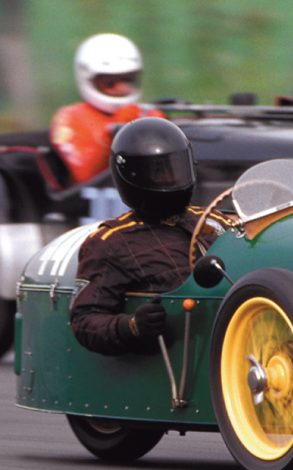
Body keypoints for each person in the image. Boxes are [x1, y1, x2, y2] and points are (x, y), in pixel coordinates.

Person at [70, 117, 230, 355]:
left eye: (176, 168)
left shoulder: (214, 218)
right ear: (133, 176)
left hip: (244, 331)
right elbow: (84, 319)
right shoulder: (111, 242)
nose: (171, 179)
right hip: (187, 357)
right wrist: (131, 326)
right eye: (159, 173)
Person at [50, 33, 164, 186]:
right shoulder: (71, 117)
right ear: (89, 79)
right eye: (110, 83)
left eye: (127, 80)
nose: (122, 88)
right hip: (92, 202)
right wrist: (117, 130)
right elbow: (86, 176)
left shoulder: (149, 114)